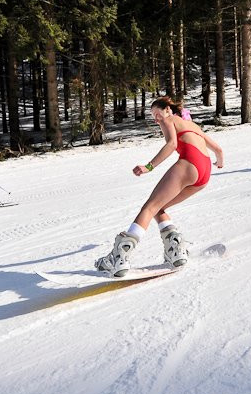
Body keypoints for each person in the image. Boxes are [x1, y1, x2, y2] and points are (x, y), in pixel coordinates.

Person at [95, 97, 224, 277]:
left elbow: (171, 144)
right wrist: (219, 162)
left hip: (189, 165)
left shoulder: (168, 119)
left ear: (168, 110)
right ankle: (175, 249)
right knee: (159, 208)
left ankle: (119, 258)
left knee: (149, 208)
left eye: (157, 114)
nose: (157, 119)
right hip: (204, 173)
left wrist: (148, 167)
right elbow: (218, 149)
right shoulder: (192, 125)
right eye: (153, 116)